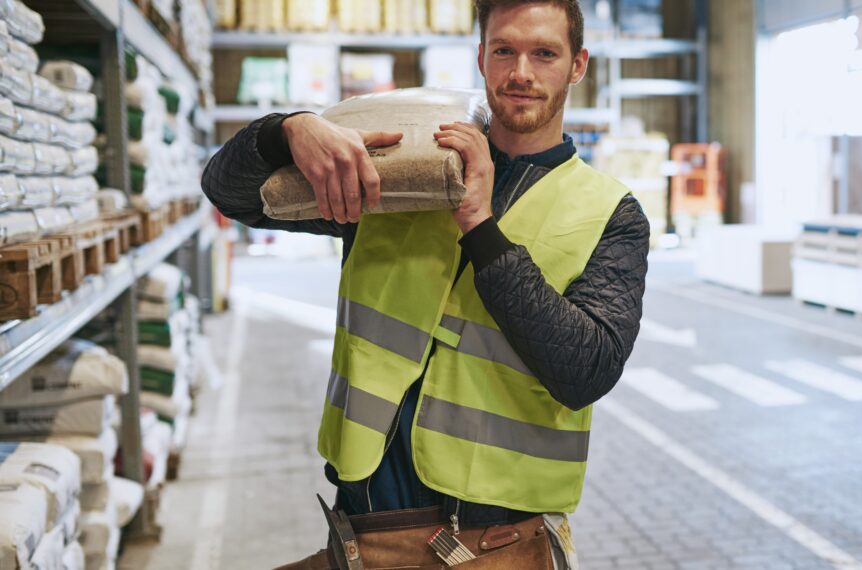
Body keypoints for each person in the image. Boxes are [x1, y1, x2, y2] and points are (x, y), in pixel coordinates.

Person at [201, 0, 649, 567]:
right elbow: (230, 193)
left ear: (578, 65)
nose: (521, 73)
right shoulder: (404, 172)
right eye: (504, 50)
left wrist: (481, 227)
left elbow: (587, 370)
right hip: (367, 519)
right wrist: (285, 132)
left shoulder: (611, 213)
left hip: (500, 539)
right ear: (480, 58)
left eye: (545, 53)